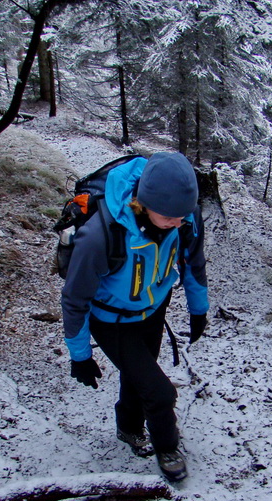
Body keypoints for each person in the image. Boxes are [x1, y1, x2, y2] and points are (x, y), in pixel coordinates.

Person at [61, 152, 209, 482]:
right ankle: (167, 447)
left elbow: (194, 264)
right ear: (144, 203)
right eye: (171, 217)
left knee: (138, 375)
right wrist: (80, 354)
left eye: (184, 215)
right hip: (112, 321)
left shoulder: (183, 216)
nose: (180, 223)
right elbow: (74, 299)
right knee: (159, 392)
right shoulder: (101, 236)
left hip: (153, 308)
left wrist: (199, 310)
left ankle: (128, 427)